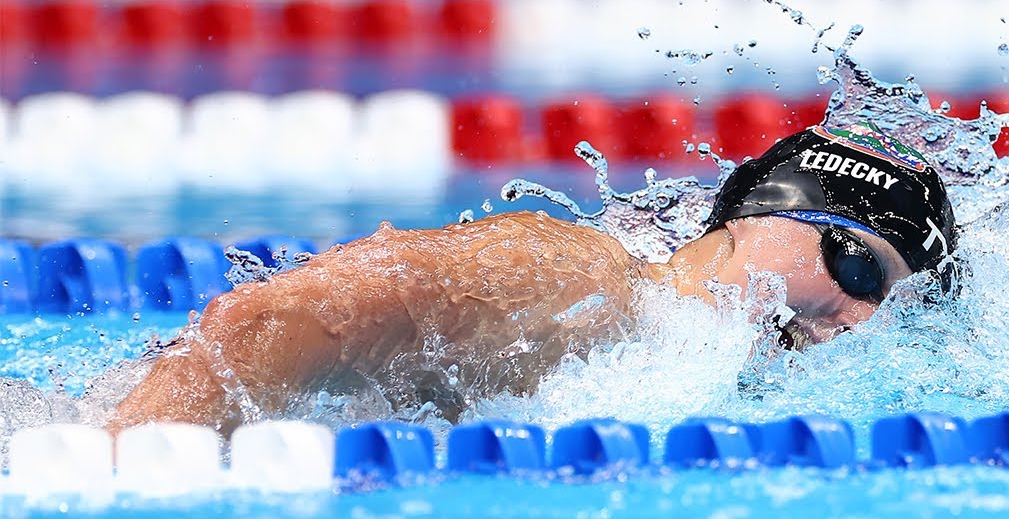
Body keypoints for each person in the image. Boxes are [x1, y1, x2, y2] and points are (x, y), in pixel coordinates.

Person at [113, 123, 956, 433]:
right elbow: (264, 323)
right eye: (858, 267)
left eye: (891, 307)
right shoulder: (580, 280)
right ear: (764, 215)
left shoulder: (666, 365)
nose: (860, 319)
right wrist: (129, 468)